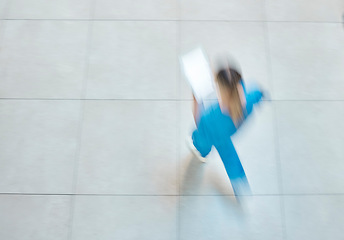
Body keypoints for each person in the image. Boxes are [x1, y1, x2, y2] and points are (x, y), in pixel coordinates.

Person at [187, 64, 264, 197]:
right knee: (229, 155)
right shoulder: (249, 97)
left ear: (221, 91)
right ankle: (238, 179)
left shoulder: (213, 116)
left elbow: (199, 121)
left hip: (213, 133)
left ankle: (203, 154)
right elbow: (258, 93)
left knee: (201, 142)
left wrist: (195, 99)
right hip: (228, 131)